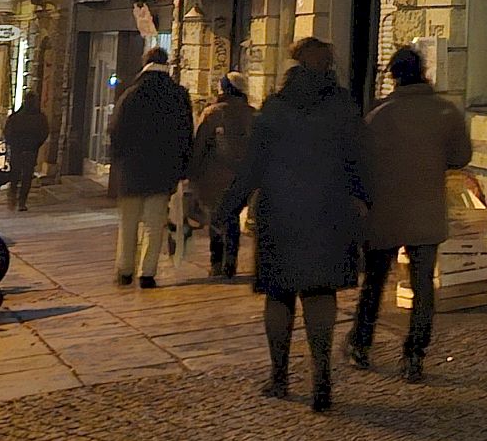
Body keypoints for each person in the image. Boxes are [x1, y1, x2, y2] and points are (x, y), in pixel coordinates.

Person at [214, 38, 366, 413]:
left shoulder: (275, 109)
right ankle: (322, 377)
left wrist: (227, 209)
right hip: (328, 214)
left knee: (279, 296)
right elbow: (361, 162)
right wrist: (365, 205)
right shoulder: (343, 108)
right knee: (319, 293)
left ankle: (280, 376)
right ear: (328, 66)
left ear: (294, 67)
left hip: (280, 213)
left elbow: (252, 167)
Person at [350, 46, 473, 382]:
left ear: (393, 75)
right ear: (424, 71)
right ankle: (414, 356)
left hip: (385, 211)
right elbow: (460, 157)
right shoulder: (446, 112)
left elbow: (361, 164)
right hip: (425, 209)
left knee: (374, 282)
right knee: (423, 287)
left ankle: (360, 344)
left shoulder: (379, 116)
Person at [109, 47, 194, 289]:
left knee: (128, 223)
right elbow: (186, 135)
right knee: (154, 223)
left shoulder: (132, 94)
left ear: (145, 63)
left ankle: (125, 270)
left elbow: (116, 131)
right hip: (162, 171)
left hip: (132, 171)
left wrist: (119, 161)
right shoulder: (178, 95)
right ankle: (147, 273)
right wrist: (182, 169)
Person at [189, 73, 256, 278]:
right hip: (244, 177)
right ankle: (230, 260)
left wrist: (191, 174)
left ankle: (218, 262)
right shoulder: (254, 115)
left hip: (215, 177)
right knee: (232, 216)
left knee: (217, 219)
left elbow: (199, 145)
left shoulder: (212, 113)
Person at [1, 95, 51, 211]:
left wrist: (14, 144)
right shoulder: (36, 117)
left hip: (24, 150)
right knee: (23, 176)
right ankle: (19, 200)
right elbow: (43, 133)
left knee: (20, 176)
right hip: (26, 150)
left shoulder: (31, 118)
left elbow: (8, 133)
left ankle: (17, 199)